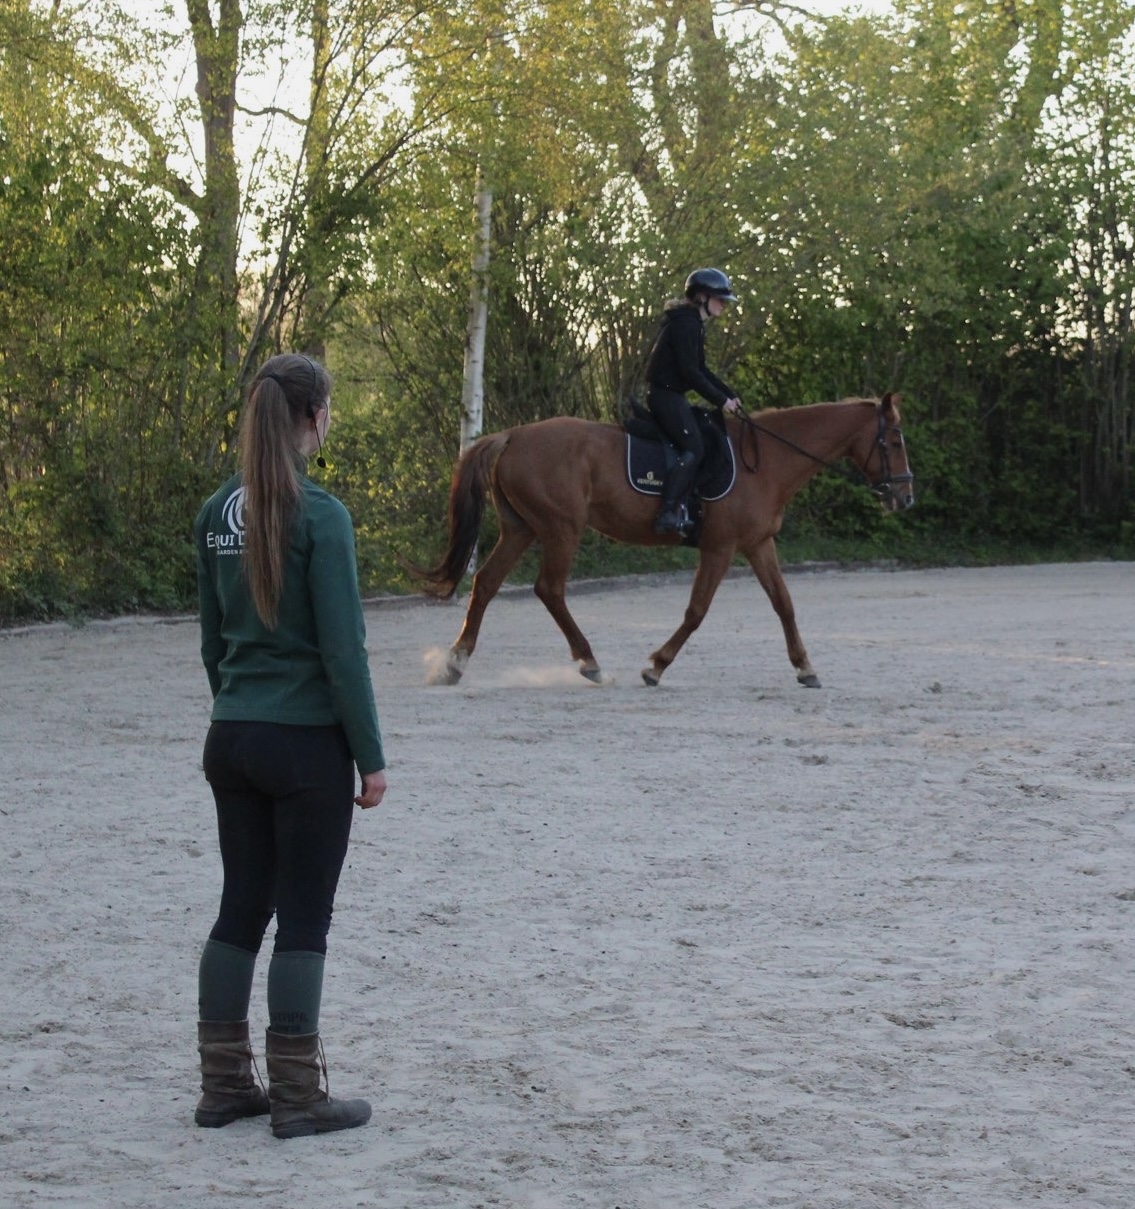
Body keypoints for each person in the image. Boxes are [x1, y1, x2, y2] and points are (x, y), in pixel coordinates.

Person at [192, 352, 387, 1140]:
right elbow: (343, 651)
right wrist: (369, 755)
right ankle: (299, 1094)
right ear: (314, 416)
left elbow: (212, 642)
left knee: (241, 906)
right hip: (304, 745)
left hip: (231, 733)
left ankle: (223, 1085)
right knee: (305, 916)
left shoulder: (216, 513)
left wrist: (239, 708)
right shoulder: (321, 515)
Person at [645, 268, 742, 534]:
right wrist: (720, 400)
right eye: (719, 299)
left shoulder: (693, 324)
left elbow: (701, 369)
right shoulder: (685, 324)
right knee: (695, 448)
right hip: (665, 396)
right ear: (702, 297)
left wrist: (729, 394)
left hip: (672, 396)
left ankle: (688, 504)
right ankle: (667, 513)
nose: (723, 305)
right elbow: (690, 372)